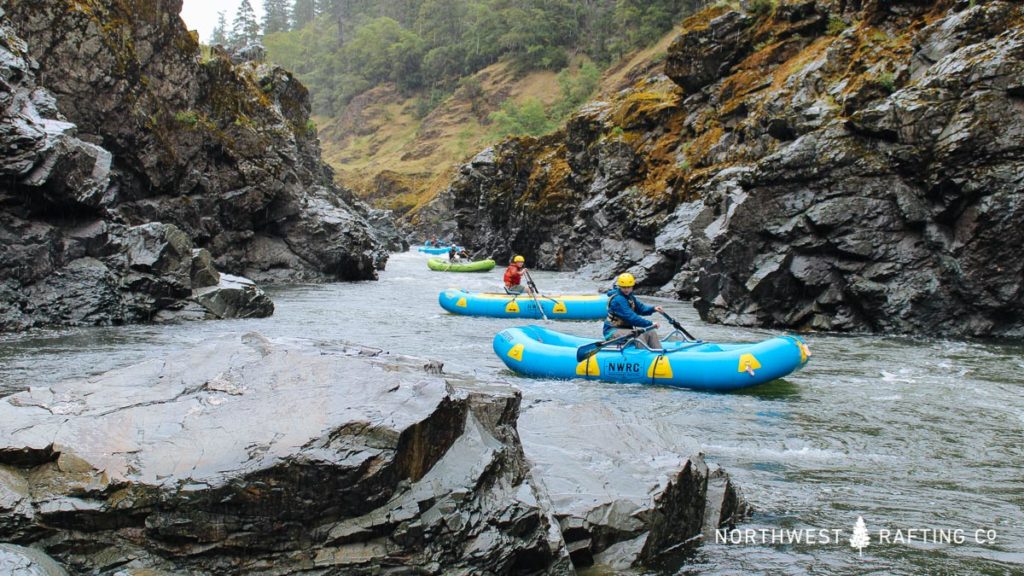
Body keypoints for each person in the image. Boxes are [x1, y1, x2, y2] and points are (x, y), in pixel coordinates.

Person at [603, 273, 664, 349]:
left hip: (626, 330)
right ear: (619, 287)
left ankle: (659, 355)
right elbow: (631, 318)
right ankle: (644, 358)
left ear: (632, 286)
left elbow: (641, 309)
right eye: (624, 287)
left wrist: (653, 309)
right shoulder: (618, 300)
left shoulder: (629, 297)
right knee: (638, 335)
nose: (626, 289)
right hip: (612, 332)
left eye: (628, 287)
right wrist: (650, 323)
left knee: (651, 332)